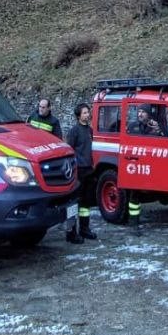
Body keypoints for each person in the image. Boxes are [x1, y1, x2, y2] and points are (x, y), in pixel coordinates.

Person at [63, 103, 98, 243]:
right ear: (78, 116)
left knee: (86, 203)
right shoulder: (74, 131)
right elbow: (68, 151)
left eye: (88, 112)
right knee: (73, 203)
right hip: (78, 171)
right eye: (84, 113)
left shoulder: (90, 130)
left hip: (89, 170)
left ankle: (84, 229)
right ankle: (71, 233)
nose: (87, 115)